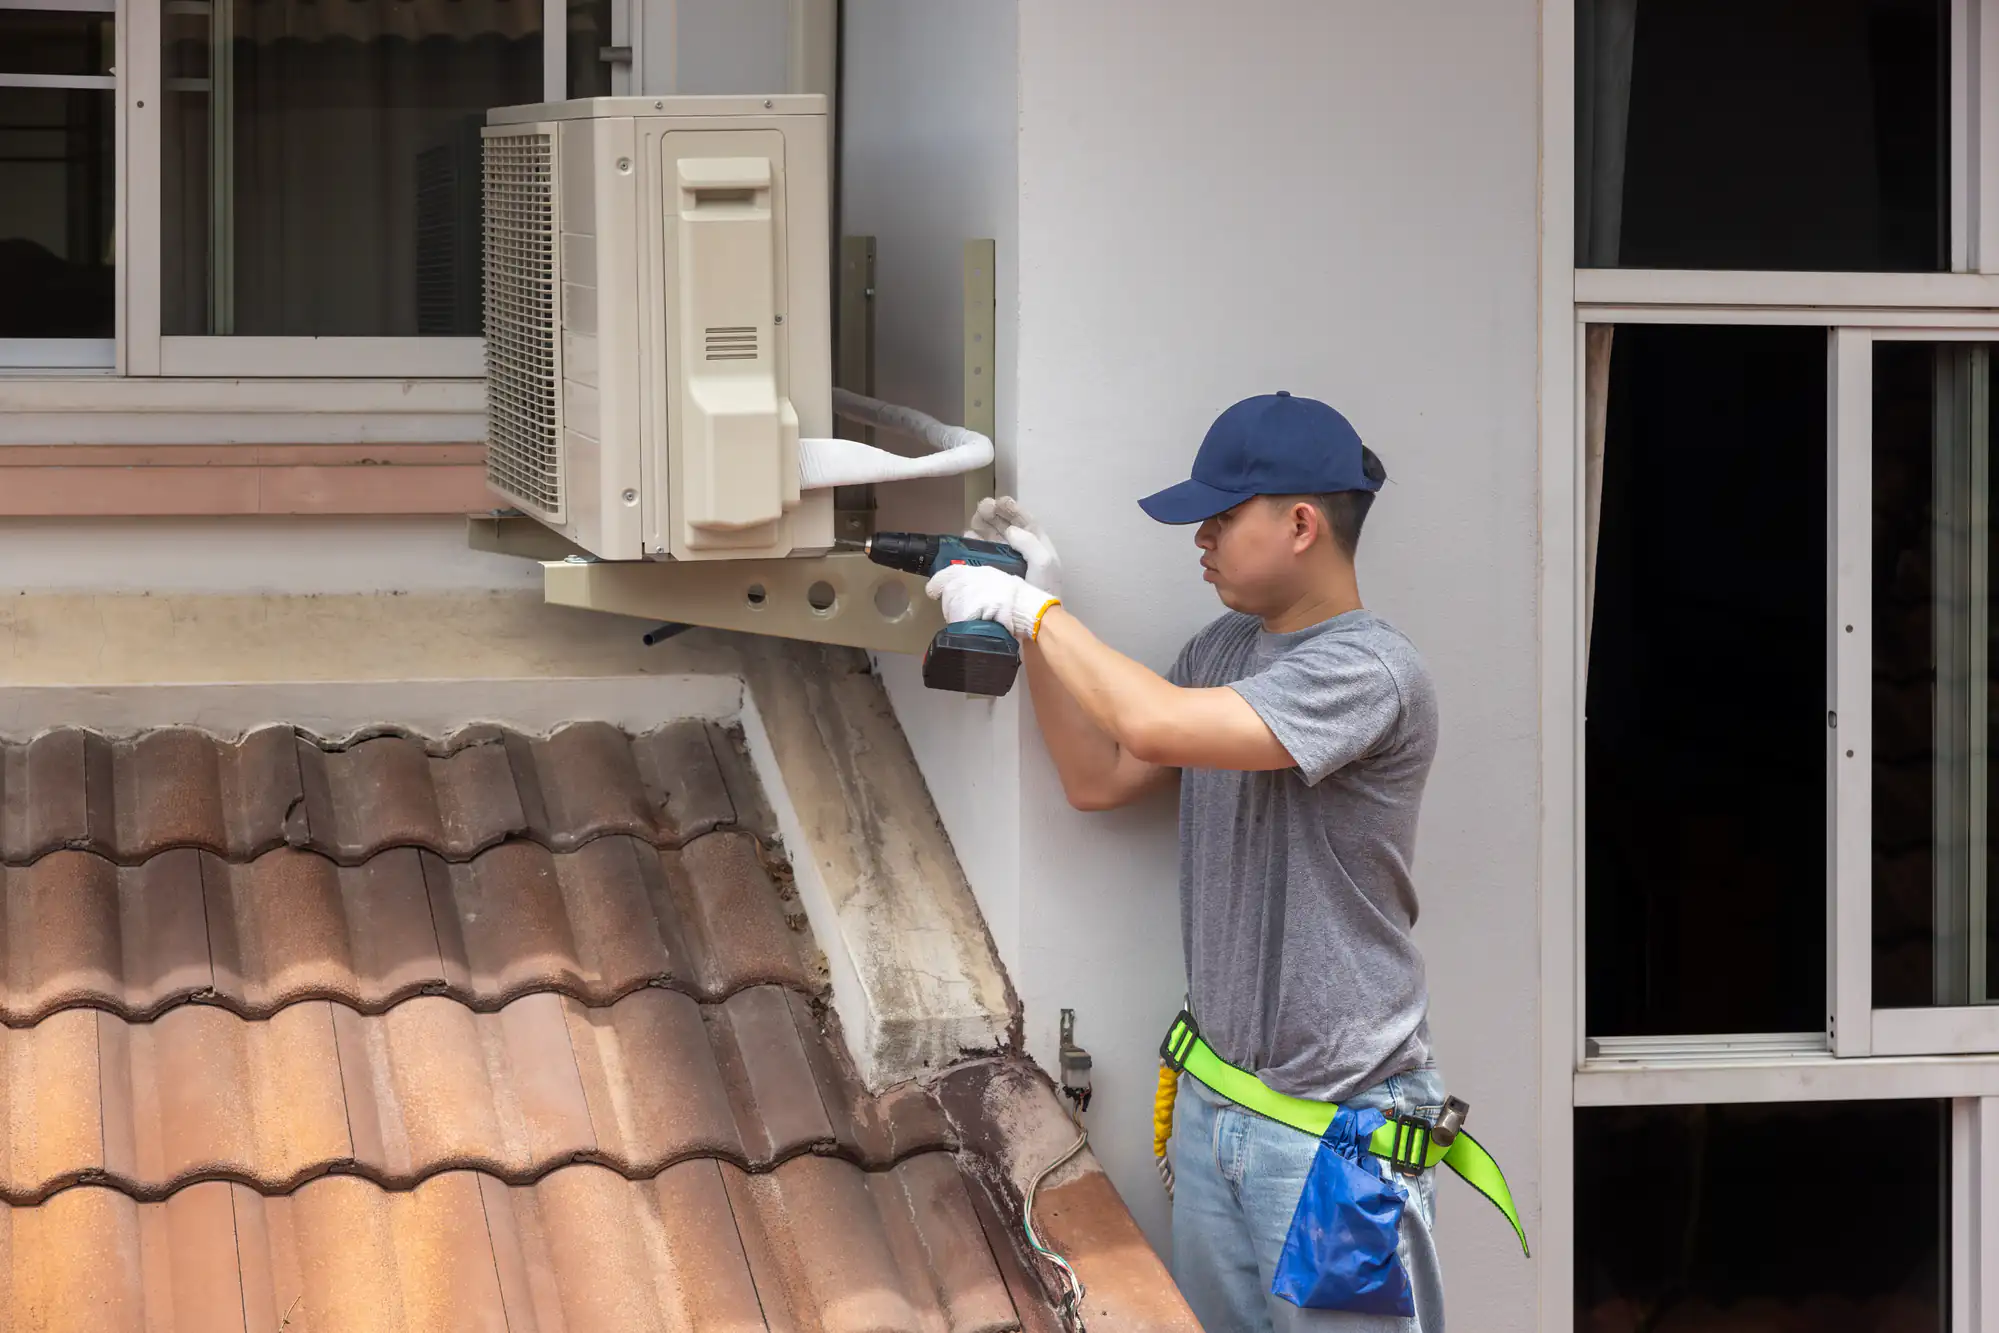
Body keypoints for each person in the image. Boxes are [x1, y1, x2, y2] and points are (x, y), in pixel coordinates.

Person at [927, 390, 1450, 1331]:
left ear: (1300, 523)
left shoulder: (1369, 672)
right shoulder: (1219, 650)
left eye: (1220, 516)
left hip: (1334, 1133)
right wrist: (1035, 627)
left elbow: (1153, 721)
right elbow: (1098, 773)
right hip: (1217, 1106)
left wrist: (1030, 607)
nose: (1199, 537)